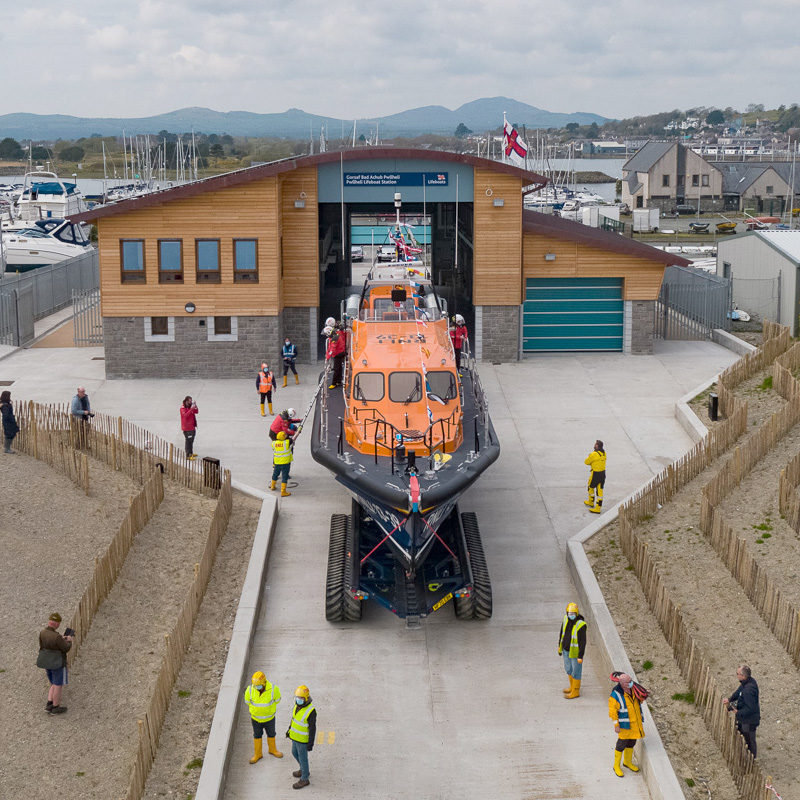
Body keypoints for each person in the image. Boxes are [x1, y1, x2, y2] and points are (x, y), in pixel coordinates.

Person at [608, 672, 645, 777]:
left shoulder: (633, 690)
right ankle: (616, 765)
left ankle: (627, 762)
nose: (631, 683)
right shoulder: (616, 694)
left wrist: (643, 695)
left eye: (631, 681)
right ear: (622, 683)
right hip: (624, 726)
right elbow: (612, 711)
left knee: (631, 743)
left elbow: (638, 702)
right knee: (621, 745)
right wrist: (616, 725)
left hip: (635, 724)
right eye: (628, 682)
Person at [244, 670, 283, 763]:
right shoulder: (250, 689)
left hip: (269, 718)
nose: (257, 687)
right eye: (255, 686)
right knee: (257, 735)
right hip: (256, 719)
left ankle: (272, 750)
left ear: (264, 682)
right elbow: (247, 702)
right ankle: (258, 754)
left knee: (271, 734)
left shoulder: (274, 689)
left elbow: (278, 700)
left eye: (259, 685)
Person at [38, 612, 73, 715]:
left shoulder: (42, 632)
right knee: (58, 685)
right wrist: (69, 641)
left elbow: (42, 645)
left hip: (46, 661)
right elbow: (65, 648)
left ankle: (49, 704)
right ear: (56, 624)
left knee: (53, 683)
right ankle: (55, 707)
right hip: (57, 662)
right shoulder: (57, 636)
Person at [723, 664, 760, 757]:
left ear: (743, 676)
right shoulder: (746, 682)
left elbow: (750, 708)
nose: (737, 675)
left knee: (749, 741)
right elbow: (739, 691)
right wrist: (730, 699)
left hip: (748, 721)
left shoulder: (748, 690)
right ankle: (742, 753)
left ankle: (751, 760)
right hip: (743, 718)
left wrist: (738, 713)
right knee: (740, 733)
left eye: (737, 673)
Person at [286, 684, 316, 790]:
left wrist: (310, 743)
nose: (298, 699)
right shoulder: (297, 706)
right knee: (294, 753)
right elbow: (294, 719)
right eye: (297, 697)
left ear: (306, 698)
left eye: (301, 698)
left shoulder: (311, 711)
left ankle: (304, 779)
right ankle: (304, 770)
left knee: (303, 759)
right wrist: (289, 730)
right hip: (295, 737)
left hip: (303, 740)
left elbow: (312, 729)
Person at [557, 601, 587, 699]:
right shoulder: (566, 619)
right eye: (569, 614)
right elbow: (562, 632)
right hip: (566, 649)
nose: (571, 615)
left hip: (575, 653)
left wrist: (580, 656)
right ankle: (571, 686)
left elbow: (583, 641)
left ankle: (575, 691)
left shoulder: (581, 624)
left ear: (577, 613)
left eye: (573, 614)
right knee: (568, 669)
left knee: (576, 671)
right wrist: (559, 646)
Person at [584, 439, 606, 514]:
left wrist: (590, 456)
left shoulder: (594, 454)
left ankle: (591, 502)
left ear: (597, 445)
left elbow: (586, 462)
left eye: (595, 444)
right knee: (600, 491)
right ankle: (598, 508)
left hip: (595, 474)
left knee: (590, 487)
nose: (594, 445)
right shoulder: (604, 453)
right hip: (602, 474)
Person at [271, 431, 293, 497]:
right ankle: (283, 491)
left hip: (277, 463)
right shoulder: (286, 443)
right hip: (285, 463)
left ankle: (272, 486)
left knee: (275, 474)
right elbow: (294, 438)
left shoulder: (273, 443)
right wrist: (298, 431)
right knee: (284, 476)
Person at [325, 324, 346, 390]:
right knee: (339, 368)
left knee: (336, 369)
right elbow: (330, 348)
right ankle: (338, 381)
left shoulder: (334, 338)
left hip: (338, 354)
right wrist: (327, 354)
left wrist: (328, 357)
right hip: (340, 352)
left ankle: (334, 384)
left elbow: (332, 349)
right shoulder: (335, 335)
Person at [180, 396, 199, 460]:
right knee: (188, 441)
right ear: (186, 401)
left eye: (191, 401)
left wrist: (195, 406)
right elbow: (185, 415)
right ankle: (188, 455)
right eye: (189, 401)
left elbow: (196, 412)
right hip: (187, 428)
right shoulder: (182, 408)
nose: (190, 402)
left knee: (191, 441)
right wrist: (191, 409)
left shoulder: (190, 407)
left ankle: (191, 452)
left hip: (192, 426)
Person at [1, 389, 19, 454]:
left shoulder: (5, 404)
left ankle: (7, 447)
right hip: (8, 422)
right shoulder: (5, 405)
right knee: (10, 434)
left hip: (8, 421)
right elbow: (6, 415)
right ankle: (7, 448)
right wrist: (11, 418)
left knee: (10, 433)